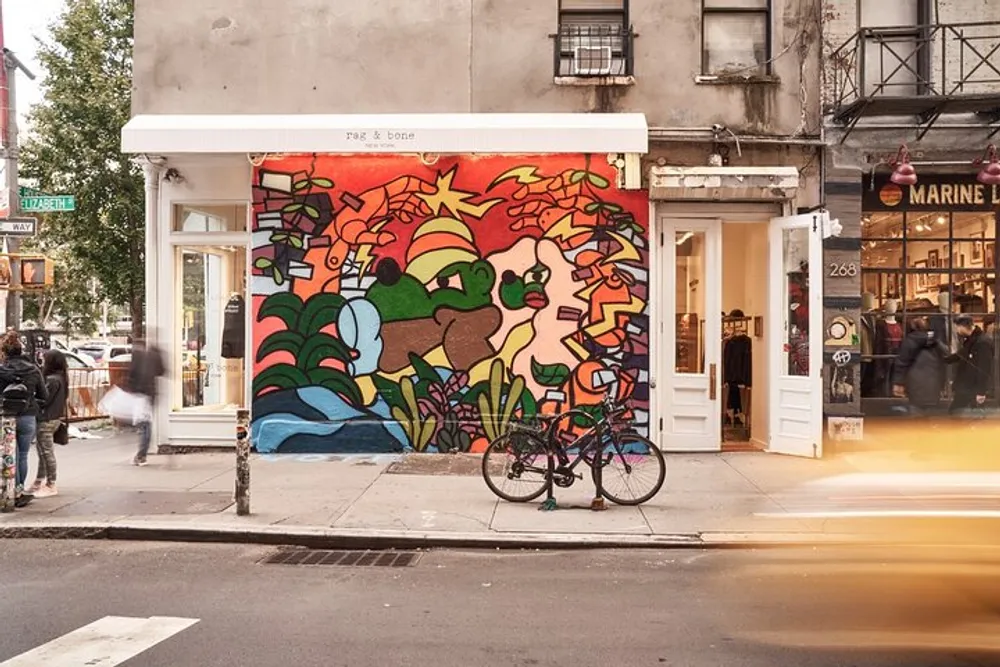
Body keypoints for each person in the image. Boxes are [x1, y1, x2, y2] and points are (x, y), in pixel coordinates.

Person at [0, 331, 48, 507]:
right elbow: (44, 394)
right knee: (22, 455)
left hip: (6, 416)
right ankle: (19, 490)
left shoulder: (2, 369)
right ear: (21, 350)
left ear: (4, 351)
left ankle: (9, 492)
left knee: (8, 454)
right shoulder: (33, 369)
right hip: (28, 415)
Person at [30, 349, 68, 497]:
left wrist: (32, 399)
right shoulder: (61, 378)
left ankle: (51, 483)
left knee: (45, 452)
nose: (42, 362)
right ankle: (40, 481)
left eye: (45, 360)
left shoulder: (52, 380)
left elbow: (44, 399)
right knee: (43, 452)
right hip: (54, 418)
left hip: (46, 418)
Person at [892, 315, 947, 417]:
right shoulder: (936, 342)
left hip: (914, 383)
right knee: (931, 415)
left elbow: (902, 362)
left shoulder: (909, 341)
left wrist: (898, 382)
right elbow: (945, 359)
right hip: (933, 382)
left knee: (916, 414)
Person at [944, 314, 994, 416]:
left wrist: (981, 391)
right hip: (965, 387)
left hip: (973, 389)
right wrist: (943, 358)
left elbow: (984, 368)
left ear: (962, 326)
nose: (956, 330)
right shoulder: (971, 340)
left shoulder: (982, 342)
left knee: (959, 415)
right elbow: (959, 355)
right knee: (956, 414)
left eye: (956, 327)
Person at [127, 336, 165, 466]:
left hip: (141, 394)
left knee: (144, 426)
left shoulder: (138, 357)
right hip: (149, 394)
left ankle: (141, 455)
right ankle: (142, 454)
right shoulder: (153, 355)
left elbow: (132, 375)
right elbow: (162, 371)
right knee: (145, 425)